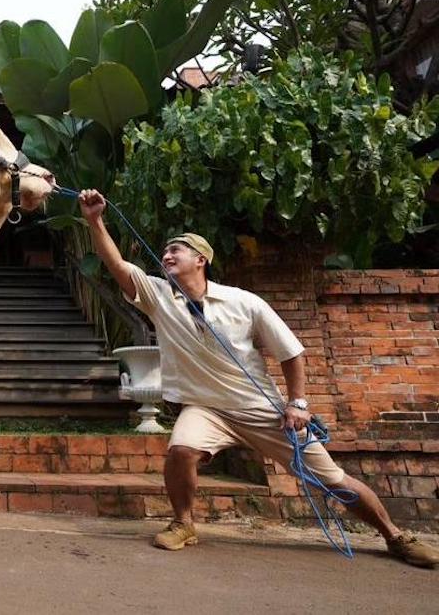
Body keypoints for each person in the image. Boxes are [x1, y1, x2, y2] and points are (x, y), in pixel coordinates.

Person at [78, 188, 438, 568]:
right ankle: (183, 523)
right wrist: (95, 220)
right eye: (165, 251)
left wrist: (297, 404)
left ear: (200, 259)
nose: (166, 255)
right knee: (181, 450)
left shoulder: (244, 302)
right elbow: (116, 264)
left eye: (176, 250)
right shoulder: (158, 296)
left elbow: (291, 352)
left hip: (260, 410)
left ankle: (395, 536)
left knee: (333, 479)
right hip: (206, 408)